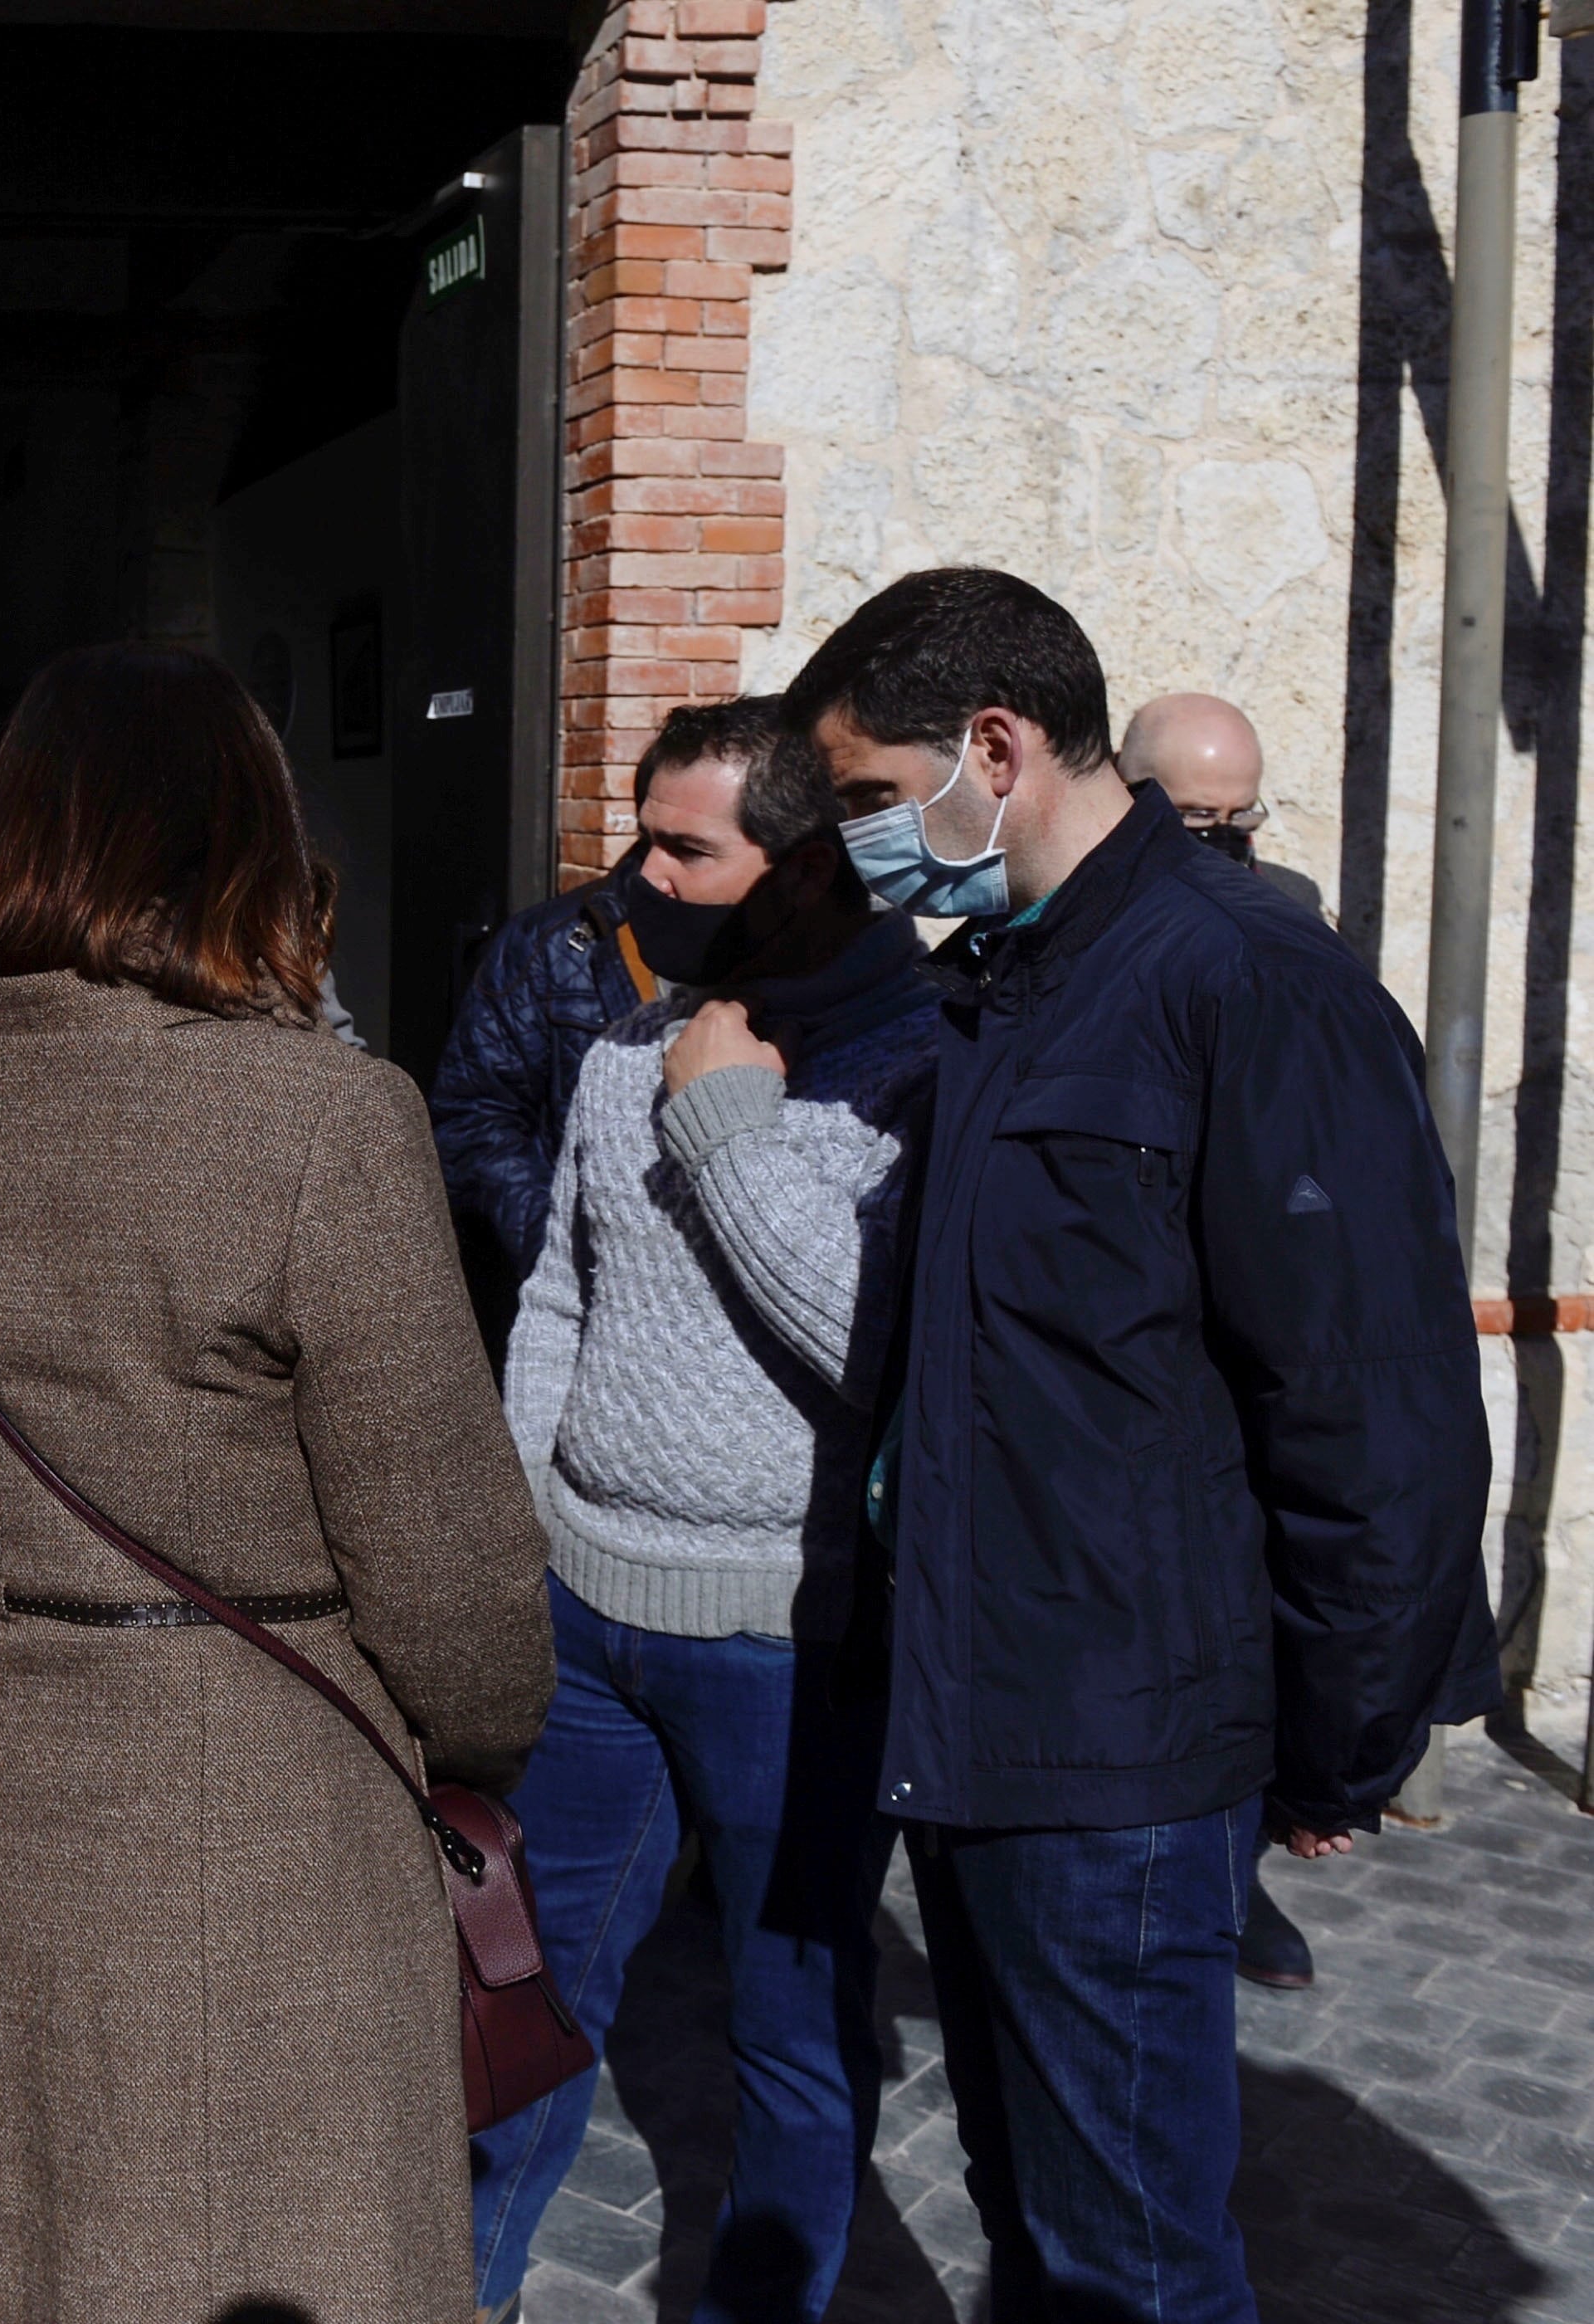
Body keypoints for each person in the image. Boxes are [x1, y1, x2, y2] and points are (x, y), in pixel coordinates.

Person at [0, 643, 555, 2324]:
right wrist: (480, 1744)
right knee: (248, 2248)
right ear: (248, 847)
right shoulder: (324, 1119)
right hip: (253, 1806)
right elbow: (448, 1577)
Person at [787, 569, 1496, 2324]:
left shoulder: (1249, 982)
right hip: (976, 1715)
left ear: (995, 744)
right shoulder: (1002, 982)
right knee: (1038, 2225)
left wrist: (1335, 1743)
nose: (863, 846)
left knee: (1135, 2271)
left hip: (1117, 1748)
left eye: (873, 797)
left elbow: (1372, 1410)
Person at [471, 697, 926, 2324]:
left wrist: (723, 1118)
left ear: (797, 866)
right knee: (518, 1989)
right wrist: (527, 1514)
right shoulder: (614, 1049)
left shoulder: (916, 1078)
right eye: (638, 835)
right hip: (586, 1620)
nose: (633, 878)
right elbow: (559, 1301)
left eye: (684, 847)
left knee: (793, 2029)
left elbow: (865, 1344)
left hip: (783, 1644)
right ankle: (462, 2283)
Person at [1115, 690, 1323, 1992]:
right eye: (1193, 819)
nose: (1220, 841)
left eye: (1236, 819)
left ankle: (1234, 1876)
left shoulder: (1285, 917)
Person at [429, 835, 655, 1359]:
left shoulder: (799, 955)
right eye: (656, 838)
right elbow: (473, 1119)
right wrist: (554, 1248)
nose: (662, 866)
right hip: (564, 1314)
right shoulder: (549, 943)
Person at [1118, 691, 1328, 921]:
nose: (1223, 844)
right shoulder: (1084, 910)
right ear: (1123, 790)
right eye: (1197, 815)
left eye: (1241, 815)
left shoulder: (1291, 903)